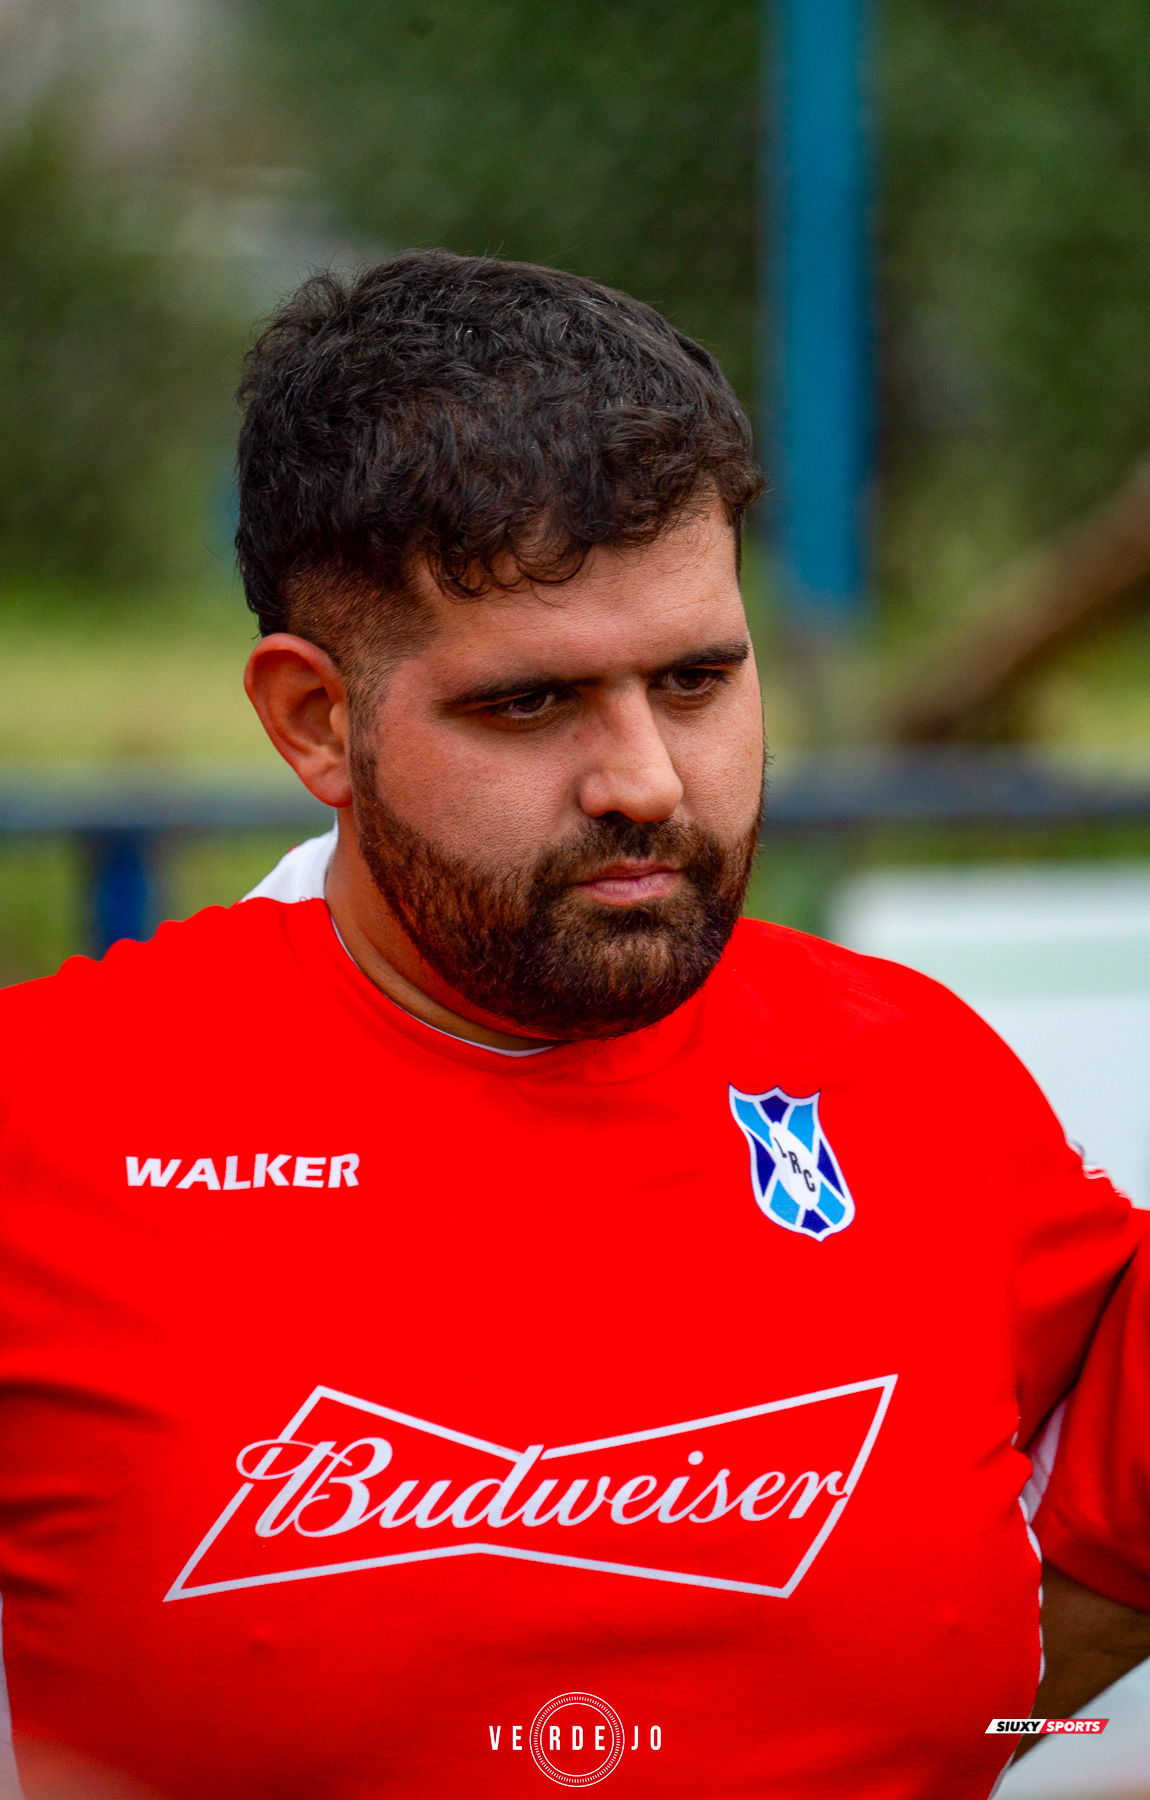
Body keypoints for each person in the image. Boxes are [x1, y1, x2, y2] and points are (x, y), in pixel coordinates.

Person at [0, 251, 1144, 1800]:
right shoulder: (50, 1128)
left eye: (695, 680)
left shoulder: (909, 1076)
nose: (646, 781)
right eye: (531, 704)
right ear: (314, 722)